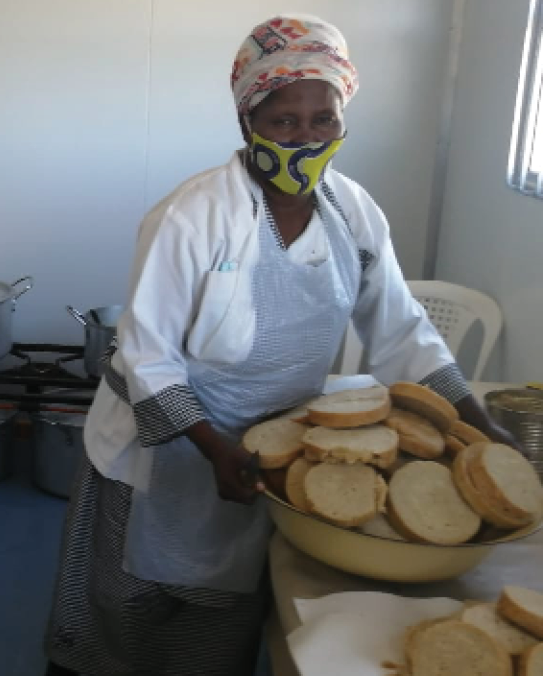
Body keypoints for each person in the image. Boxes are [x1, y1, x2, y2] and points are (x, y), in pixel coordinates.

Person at [44, 13, 518, 676]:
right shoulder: (192, 215)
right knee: (127, 620)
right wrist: (212, 446)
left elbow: (400, 328)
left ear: (341, 121)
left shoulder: (353, 213)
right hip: (166, 453)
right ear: (247, 124)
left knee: (221, 619)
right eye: (283, 121)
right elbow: (145, 354)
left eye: (321, 119)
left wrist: (480, 422)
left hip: (270, 451)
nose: (304, 137)